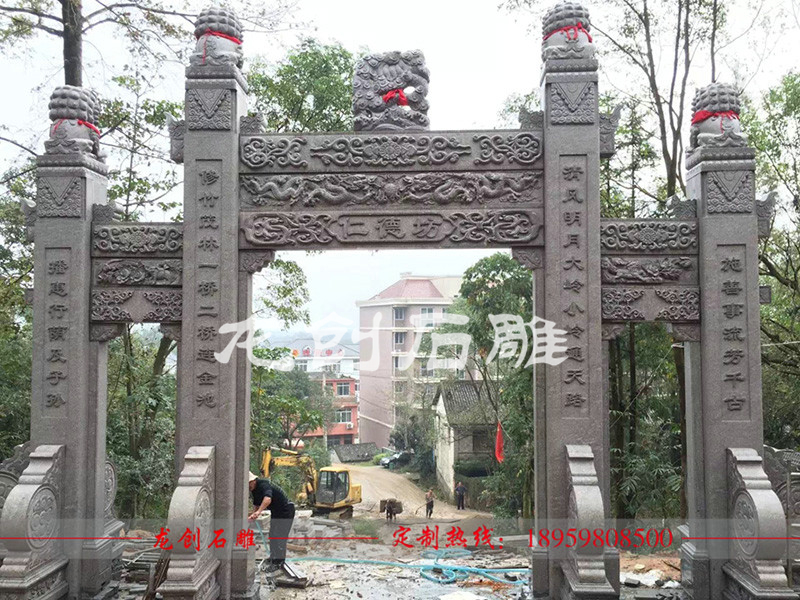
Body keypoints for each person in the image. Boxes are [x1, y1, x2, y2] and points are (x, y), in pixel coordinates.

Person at [248, 472, 295, 572]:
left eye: (249, 483)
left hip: (286, 510)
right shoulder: (254, 490)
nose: (248, 486)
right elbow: (256, 505)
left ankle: (279, 563)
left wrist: (259, 512)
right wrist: (253, 515)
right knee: (273, 535)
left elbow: (267, 499)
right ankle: (273, 558)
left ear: (253, 481)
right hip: (276, 511)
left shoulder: (263, 485)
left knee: (279, 536)